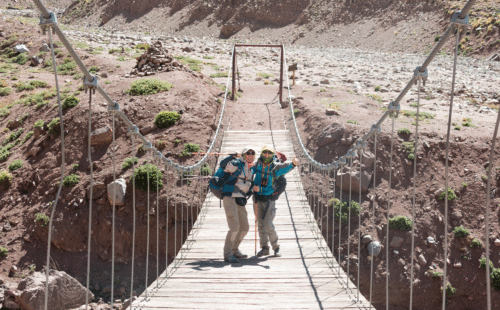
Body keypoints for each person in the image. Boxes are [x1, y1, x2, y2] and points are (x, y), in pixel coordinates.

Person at [252, 145, 299, 257]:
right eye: (264, 152)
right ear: (261, 153)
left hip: (269, 200)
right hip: (257, 199)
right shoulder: (256, 165)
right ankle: (264, 248)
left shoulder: (275, 168)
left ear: (272, 154)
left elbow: (285, 166)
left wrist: (293, 164)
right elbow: (246, 170)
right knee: (260, 224)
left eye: (269, 153)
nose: (267, 155)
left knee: (268, 224)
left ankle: (276, 247)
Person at [221, 147, 256, 263]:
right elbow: (224, 166)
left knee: (244, 228)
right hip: (230, 196)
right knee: (234, 227)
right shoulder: (237, 163)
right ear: (243, 155)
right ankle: (227, 253)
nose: (250, 155)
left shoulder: (251, 169)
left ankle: (235, 250)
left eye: (252, 153)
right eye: (247, 153)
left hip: (240, 199)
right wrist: (232, 157)